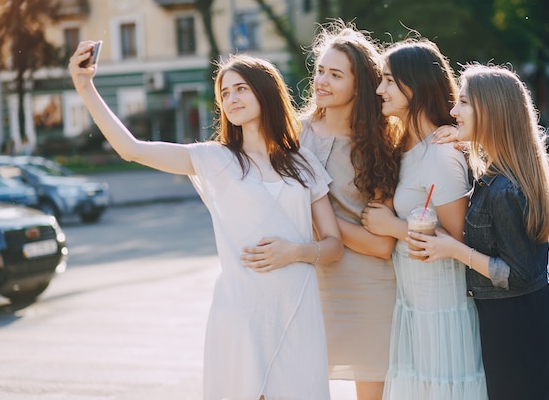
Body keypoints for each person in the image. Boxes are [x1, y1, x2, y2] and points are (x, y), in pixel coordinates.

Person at [69, 43, 344, 400]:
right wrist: (84, 87)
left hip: (296, 310)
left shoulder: (304, 162)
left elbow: (334, 246)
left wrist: (296, 252)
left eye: (241, 88)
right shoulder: (215, 160)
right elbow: (131, 149)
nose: (231, 99)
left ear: (266, 91)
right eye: (225, 93)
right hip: (240, 312)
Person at [424, 64, 549, 400]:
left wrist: (453, 250)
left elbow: (516, 274)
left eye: (464, 103)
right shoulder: (501, 173)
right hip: (515, 316)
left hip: (516, 323)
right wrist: (469, 139)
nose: (454, 111)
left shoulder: (505, 191)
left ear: (492, 111)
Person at [361, 38, 488, 400]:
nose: (379, 89)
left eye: (388, 80)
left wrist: (393, 228)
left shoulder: (440, 155)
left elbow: (461, 240)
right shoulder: (409, 148)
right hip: (414, 301)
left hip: (440, 304)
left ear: (413, 85)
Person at [298, 21, 400, 400]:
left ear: (360, 85)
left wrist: (317, 218)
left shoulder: (381, 145)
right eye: (321, 70)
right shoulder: (293, 135)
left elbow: (381, 246)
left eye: (335, 75)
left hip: (368, 287)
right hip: (308, 280)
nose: (322, 81)